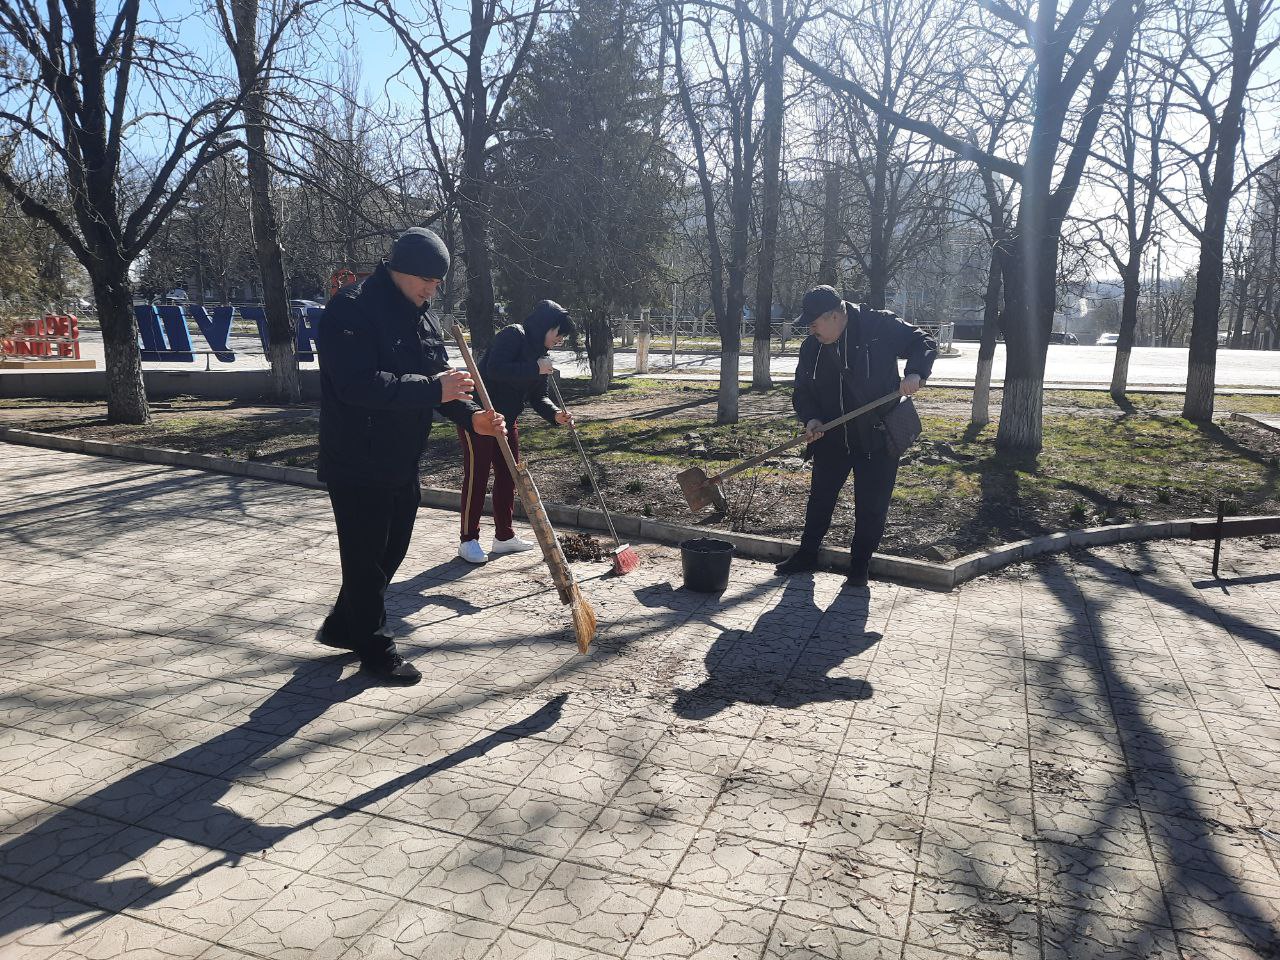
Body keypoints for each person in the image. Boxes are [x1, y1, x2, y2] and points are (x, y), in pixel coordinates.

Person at [315, 227, 505, 682]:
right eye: (427, 280)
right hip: (356, 458)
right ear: (399, 269)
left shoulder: (422, 317)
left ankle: (343, 625)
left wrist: (472, 418)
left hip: (401, 457)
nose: (431, 290)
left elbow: (439, 380)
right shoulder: (351, 308)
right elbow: (357, 385)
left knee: (391, 551)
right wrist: (434, 388)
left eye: (437, 283)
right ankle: (376, 649)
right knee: (365, 558)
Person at [775, 285, 936, 587]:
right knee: (820, 499)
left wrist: (915, 372)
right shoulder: (812, 347)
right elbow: (802, 390)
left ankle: (860, 565)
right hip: (832, 436)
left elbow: (923, 340)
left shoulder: (878, 326)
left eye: (814, 323)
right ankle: (807, 554)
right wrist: (811, 418)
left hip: (877, 436)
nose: (811, 330)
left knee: (872, 504)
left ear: (835, 316)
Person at [457, 300, 576, 563]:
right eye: (559, 333)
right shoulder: (514, 334)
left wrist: (555, 414)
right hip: (480, 417)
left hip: (507, 420)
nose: (560, 340)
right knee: (477, 476)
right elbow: (495, 369)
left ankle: (504, 536)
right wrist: (535, 368)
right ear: (545, 326)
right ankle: (468, 540)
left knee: (509, 475)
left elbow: (538, 396)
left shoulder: (541, 356)